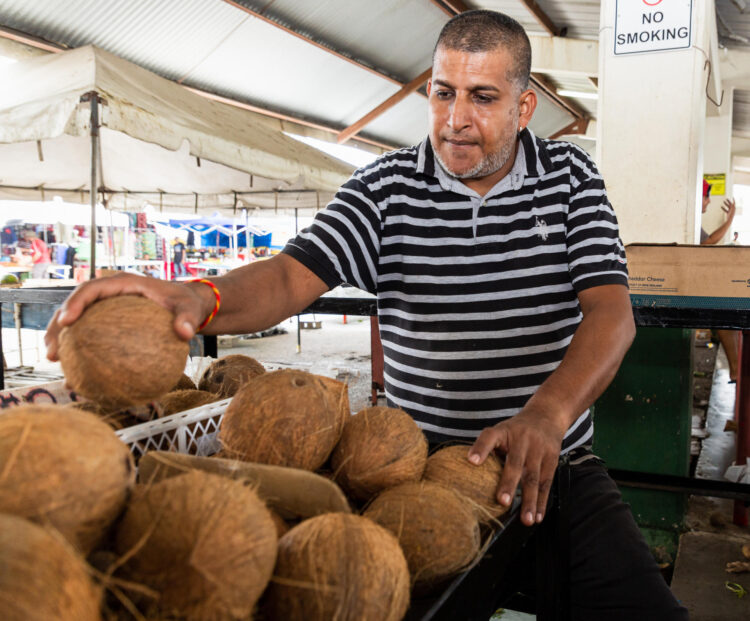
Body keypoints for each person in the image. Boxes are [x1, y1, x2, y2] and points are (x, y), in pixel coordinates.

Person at [45, 11, 686, 619]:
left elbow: (611, 313)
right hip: (413, 470)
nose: (456, 120)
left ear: (523, 107)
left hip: (551, 463)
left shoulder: (570, 175)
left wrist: (546, 417)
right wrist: (197, 298)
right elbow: (292, 275)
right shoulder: (384, 187)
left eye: (482, 98)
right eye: (442, 93)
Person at [700, 180, 739, 381]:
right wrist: (730, 219)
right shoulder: (689, 218)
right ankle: (736, 371)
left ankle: (736, 369)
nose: (708, 202)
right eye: (706, 197)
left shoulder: (693, 222)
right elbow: (709, 243)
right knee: (726, 315)